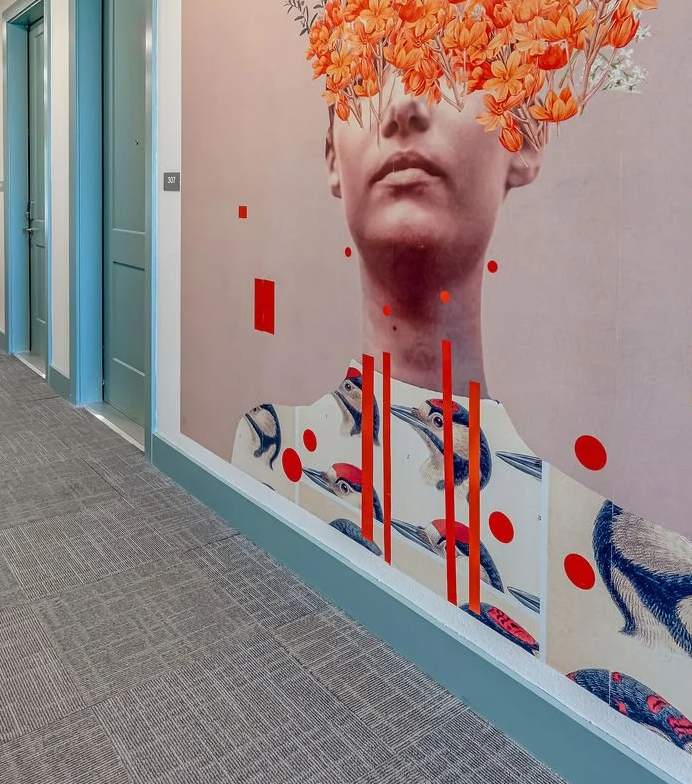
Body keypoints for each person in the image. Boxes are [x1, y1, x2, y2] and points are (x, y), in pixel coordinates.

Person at [233, 74, 548, 649]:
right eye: (363, 78)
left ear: (522, 137)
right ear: (333, 156)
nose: (403, 107)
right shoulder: (266, 446)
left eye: (451, 61)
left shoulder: (604, 553)